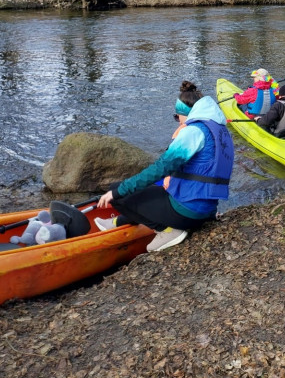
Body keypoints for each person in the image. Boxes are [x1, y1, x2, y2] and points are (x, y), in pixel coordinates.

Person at [94, 81, 235, 252]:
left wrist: (117, 191)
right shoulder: (220, 131)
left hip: (187, 213)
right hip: (208, 210)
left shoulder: (193, 131)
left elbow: (161, 168)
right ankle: (120, 221)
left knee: (118, 192)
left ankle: (166, 230)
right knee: (152, 187)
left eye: (177, 117)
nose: (178, 121)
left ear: (186, 113)